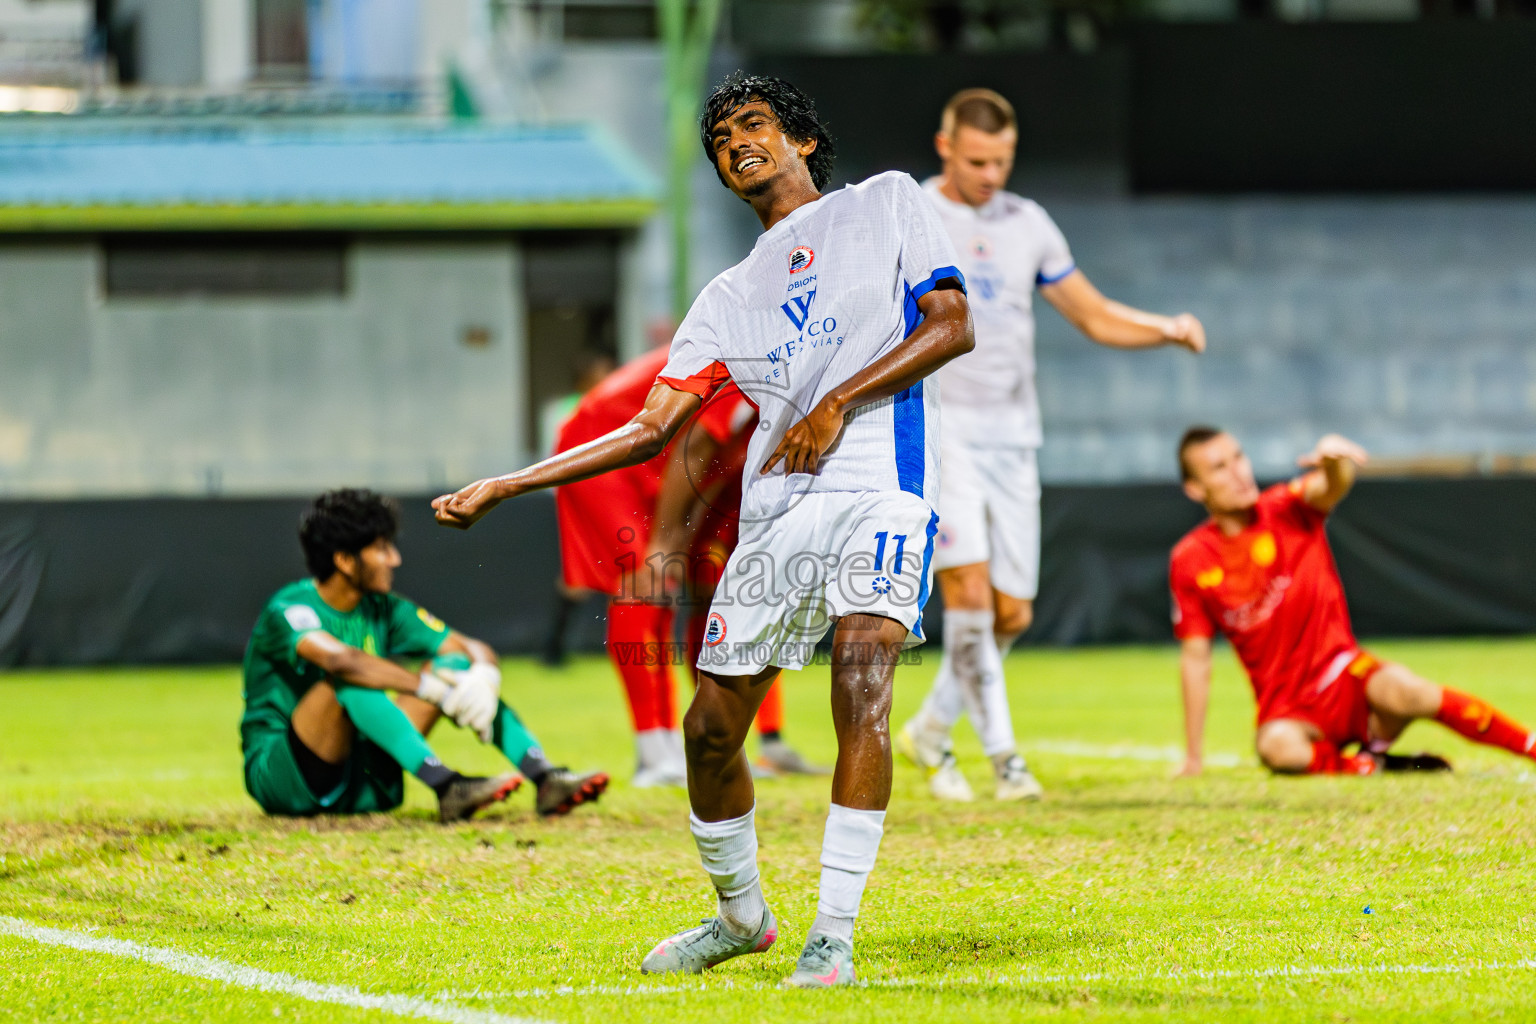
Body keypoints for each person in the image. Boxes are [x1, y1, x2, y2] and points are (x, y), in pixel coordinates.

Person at [433, 71, 972, 987]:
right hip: (775, 512)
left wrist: (836, 401)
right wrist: (510, 482)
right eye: (720, 137)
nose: (736, 142)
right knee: (711, 727)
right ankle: (740, 916)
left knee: (863, 684)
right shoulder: (728, 293)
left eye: (753, 123)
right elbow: (650, 430)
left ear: (800, 139)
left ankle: (831, 936)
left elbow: (953, 325)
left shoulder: (886, 204)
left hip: (880, 482)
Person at [898, 88, 1207, 802]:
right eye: (978, 160)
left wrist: (1164, 327)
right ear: (945, 148)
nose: (991, 174)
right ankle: (1006, 761)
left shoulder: (1028, 223)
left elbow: (1094, 316)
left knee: (1013, 614)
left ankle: (932, 732)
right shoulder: (911, 213)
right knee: (970, 596)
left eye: (1002, 160)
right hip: (944, 433)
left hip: (1014, 436)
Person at [1171, 428, 1536, 776]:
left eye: (1239, 457)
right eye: (1219, 467)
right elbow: (1196, 657)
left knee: (1409, 691)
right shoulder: (1191, 559)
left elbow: (1331, 486)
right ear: (1194, 488)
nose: (1238, 472)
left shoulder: (1284, 507)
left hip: (1346, 674)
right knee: (1276, 747)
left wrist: (1334, 460)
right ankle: (1372, 765)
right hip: (1289, 709)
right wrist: (1192, 756)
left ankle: (1530, 745)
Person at [240, 488, 609, 822]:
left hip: (359, 774)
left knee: (455, 667)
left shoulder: (384, 608)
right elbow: (341, 662)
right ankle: (447, 785)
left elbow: (467, 649)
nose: (395, 559)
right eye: (382, 549)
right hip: (284, 775)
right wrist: (433, 690)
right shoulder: (290, 609)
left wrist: (482, 676)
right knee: (351, 677)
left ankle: (545, 778)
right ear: (345, 560)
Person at [551, 346, 824, 786]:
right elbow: (694, 447)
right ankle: (652, 753)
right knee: (644, 581)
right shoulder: (769, 363)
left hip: (665, 465)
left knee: (692, 586)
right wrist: (665, 538)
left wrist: (683, 534)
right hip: (605, 443)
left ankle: (692, 746)